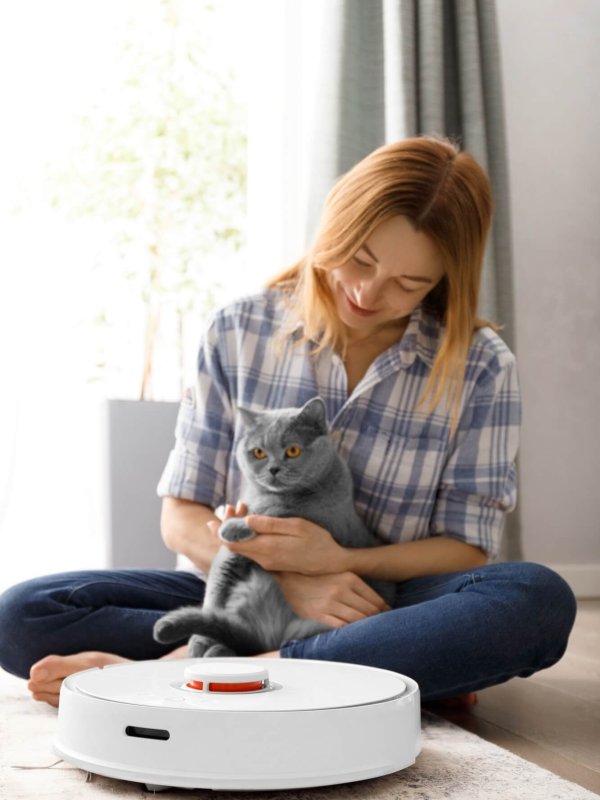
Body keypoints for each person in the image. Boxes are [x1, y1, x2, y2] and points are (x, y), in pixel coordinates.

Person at [0, 135, 576, 709]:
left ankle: (197, 672)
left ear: (446, 279)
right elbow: (181, 515)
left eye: (409, 284)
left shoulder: (481, 366)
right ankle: (382, 668)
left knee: (536, 599)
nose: (367, 292)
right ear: (336, 226)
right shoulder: (238, 330)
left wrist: (340, 565)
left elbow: (465, 548)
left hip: (385, 603)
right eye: (361, 259)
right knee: (22, 614)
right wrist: (291, 583)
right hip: (239, 593)